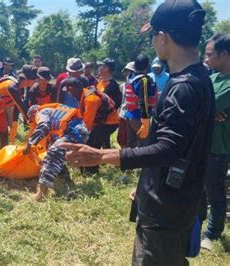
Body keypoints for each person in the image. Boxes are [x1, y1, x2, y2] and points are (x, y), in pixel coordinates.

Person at [62, 1, 214, 264]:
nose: (154, 43)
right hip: (175, 197)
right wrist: (145, 183)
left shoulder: (183, 88)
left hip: (166, 209)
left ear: (162, 38)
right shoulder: (199, 78)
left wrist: (101, 155)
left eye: (153, 36)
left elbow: (169, 148)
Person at [201, 33, 230, 251]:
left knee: (214, 192)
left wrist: (208, 109)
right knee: (199, 188)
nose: (206, 59)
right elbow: (196, 103)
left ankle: (212, 233)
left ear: (225, 54)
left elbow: (205, 104)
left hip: (219, 147)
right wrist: (210, 111)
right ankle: (197, 223)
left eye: (210, 54)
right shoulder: (212, 78)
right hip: (202, 143)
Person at [24, 104, 88, 201]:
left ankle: (40, 194)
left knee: (52, 155)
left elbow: (43, 126)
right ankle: (66, 183)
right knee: (55, 153)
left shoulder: (41, 112)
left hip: (74, 132)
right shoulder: (53, 116)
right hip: (78, 132)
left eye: (32, 120)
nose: (34, 122)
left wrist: (29, 144)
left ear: (33, 113)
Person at [123, 54, 158, 148]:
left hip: (130, 117)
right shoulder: (144, 80)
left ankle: (129, 162)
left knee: (131, 145)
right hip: (139, 119)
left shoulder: (131, 78)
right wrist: (145, 122)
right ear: (147, 66)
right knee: (144, 146)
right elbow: (143, 100)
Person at [95, 58, 122, 149]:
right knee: (104, 141)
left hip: (109, 121)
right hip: (100, 120)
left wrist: (100, 116)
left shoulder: (113, 86)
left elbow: (115, 104)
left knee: (94, 143)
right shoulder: (100, 82)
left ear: (107, 68)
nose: (99, 68)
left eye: (101, 66)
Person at [117, 62, 137, 148]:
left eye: (130, 72)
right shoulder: (123, 86)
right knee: (122, 137)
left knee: (130, 139)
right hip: (122, 114)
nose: (127, 74)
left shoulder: (137, 85)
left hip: (132, 116)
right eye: (126, 71)